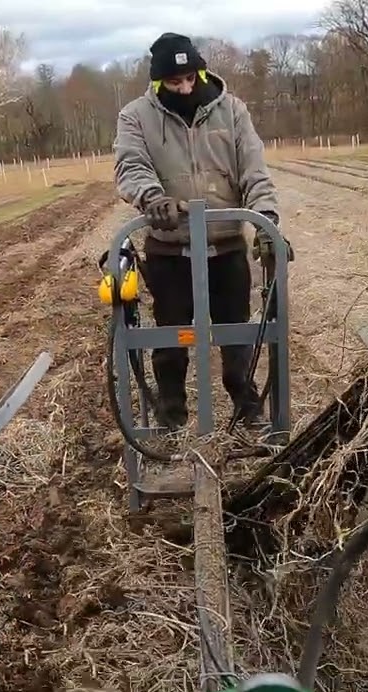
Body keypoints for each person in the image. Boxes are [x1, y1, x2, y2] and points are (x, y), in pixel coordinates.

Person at [112, 31, 289, 430]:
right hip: (170, 249)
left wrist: (266, 218)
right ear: (159, 82)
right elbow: (131, 164)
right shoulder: (136, 116)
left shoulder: (232, 111)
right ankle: (171, 416)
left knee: (238, 334)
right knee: (171, 340)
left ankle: (247, 408)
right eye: (175, 82)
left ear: (201, 72)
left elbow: (254, 171)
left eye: (191, 78)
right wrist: (153, 198)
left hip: (225, 246)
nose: (186, 87)